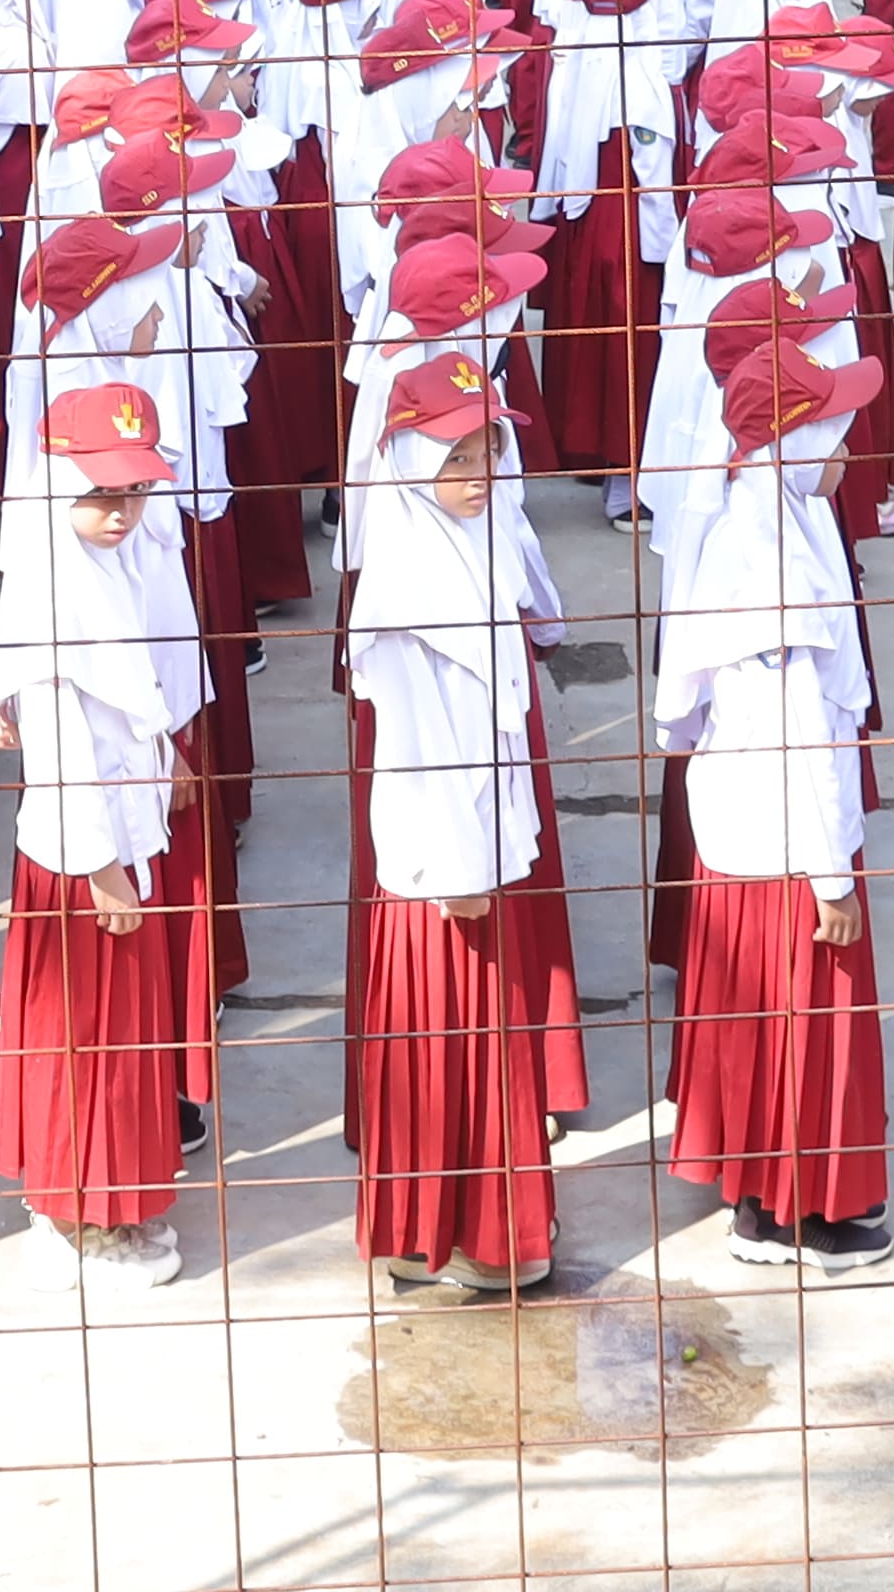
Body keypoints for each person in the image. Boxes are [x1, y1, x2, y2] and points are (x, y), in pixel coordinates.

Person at [656, 325, 894, 1272]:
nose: (843, 452)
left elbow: (679, 704)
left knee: (757, 1027)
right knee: (804, 1026)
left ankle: (762, 1198)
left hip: (741, 825)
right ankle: (806, 1212)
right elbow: (810, 731)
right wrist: (833, 873)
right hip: (793, 838)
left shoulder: (745, 522)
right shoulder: (781, 560)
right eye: (830, 430)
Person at [342, 353, 579, 1299]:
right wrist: (459, 865)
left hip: (483, 844)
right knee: (451, 1047)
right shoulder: (401, 586)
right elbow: (414, 742)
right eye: (454, 453)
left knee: (476, 1046)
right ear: (402, 461)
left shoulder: (469, 545)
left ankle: (464, 1224)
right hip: (447, 869)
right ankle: (463, 1231)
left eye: (490, 445)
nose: (478, 470)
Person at [0, 374, 212, 1294]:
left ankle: (93, 1197)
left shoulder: (94, 567)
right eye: (100, 491)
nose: (120, 510)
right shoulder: (51, 590)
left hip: (118, 836)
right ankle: (83, 1213)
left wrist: (166, 760)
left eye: (134, 489)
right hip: (87, 857)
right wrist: (103, 869)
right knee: (87, 1044)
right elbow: (64, 746)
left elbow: (124, 704)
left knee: (106, 1040)